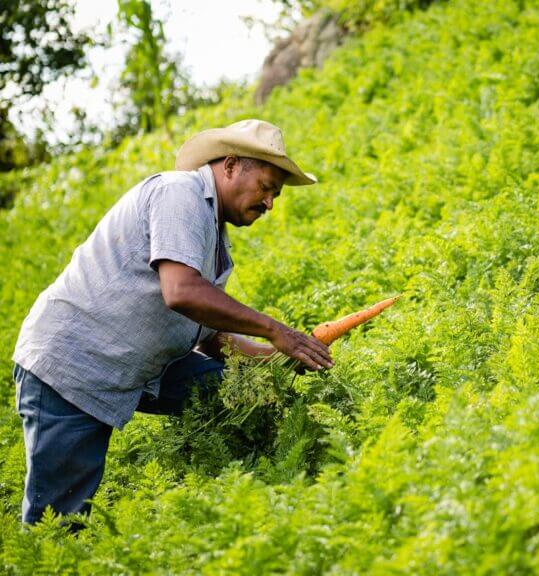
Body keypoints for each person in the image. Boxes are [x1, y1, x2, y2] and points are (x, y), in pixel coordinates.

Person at [10, 119, 334, 525]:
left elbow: (208, 335)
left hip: (136, 364)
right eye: (266, 188)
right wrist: (276, 330)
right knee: (59, 525)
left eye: (276, 195)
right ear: (231, 165)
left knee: (239, 394)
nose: (270, 203)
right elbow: (181, 292)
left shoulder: (212, 231)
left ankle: (251, 492)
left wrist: (276, 359)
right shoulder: (180, 194)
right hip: (73, 365)